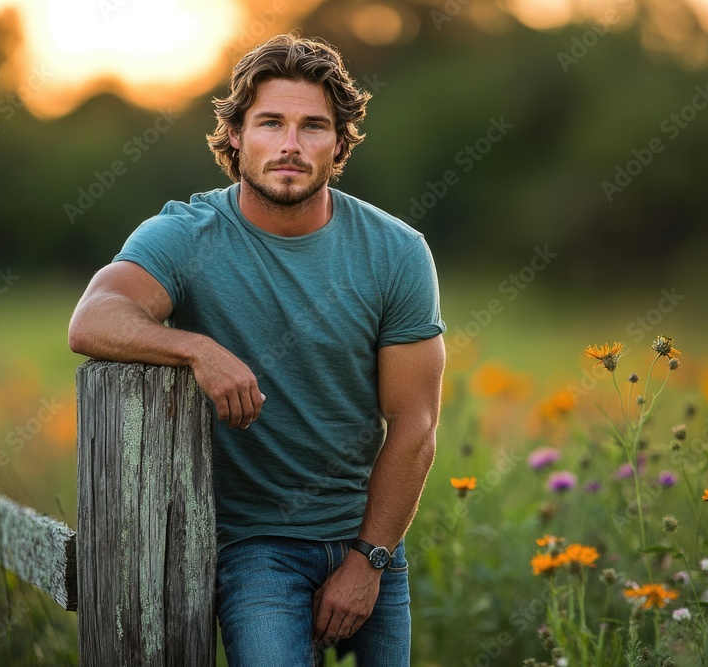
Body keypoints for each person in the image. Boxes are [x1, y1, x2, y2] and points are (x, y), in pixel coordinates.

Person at [67, 33, 446, 666]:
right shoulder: (187, 235)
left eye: (313, 127)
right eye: (270, 122)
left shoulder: (398, 252)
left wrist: (368, 560)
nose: (291, 145)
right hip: (255, 547)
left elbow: (416, 425)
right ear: (236, 135)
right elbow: (93, 319)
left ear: (340, 143)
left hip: (368, 535)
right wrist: (197, 349)